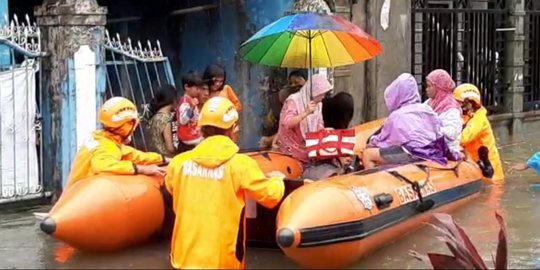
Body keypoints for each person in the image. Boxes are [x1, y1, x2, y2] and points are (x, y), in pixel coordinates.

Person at [164, 96, 286, 269]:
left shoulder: (179, 163)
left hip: (183, 259)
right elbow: (270, 196)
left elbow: (170, 188)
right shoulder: (241, 165)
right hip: (222, 261)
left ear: (201, 128)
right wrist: (277, 180)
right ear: (233, 129)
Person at [65, 97, 168, 189]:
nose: (134, 129)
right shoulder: (105, 147)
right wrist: (142, 169)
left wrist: (164, 159)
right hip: (83, 199)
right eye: (133, 124)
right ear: (126, 125)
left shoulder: (104, 140)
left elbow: (133, 155)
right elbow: (104, 166)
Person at [362, 73, 450, 169]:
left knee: (368, 154)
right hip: (432, 151)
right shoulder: (426, 109)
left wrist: (370, 143)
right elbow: (438, 132)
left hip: (413, 153)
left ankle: (375, 183)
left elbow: (384, 141)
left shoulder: (397, 116)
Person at [275, 73, 333, 164]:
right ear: (314, 91)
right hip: (291, 149)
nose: (323, 97)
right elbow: (286, 124)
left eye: (324, 94)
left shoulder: (318, 104)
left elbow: (319, 126)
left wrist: (324, 131)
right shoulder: (293, 100)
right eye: (321, 94)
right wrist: (305, 113)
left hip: (309, 148)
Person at [453, 83, 504, 182]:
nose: (455, 105)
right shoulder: (466, 116)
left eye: (458, 102)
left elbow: (463, 139)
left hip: (490, 172)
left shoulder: (479, 118)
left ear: (469, 103)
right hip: (475, 166)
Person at [260, 69, 308, 149]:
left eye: (297, 82)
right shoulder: (284, 100)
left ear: (307, 82)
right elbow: (283, 128)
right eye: (291, 83)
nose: (293, 85)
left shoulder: (313, 103)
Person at [425, 69, 463, 160]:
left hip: (448, 153)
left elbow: (452, 132)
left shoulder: (451, 108)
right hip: (432, 148)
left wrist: (431, 130)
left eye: (429, 86)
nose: (426, 89)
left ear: (438, 87)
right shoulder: (430, 102)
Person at [204, 64, 242, 142]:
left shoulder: (226, 89)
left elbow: (238, 105)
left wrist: (227, 112)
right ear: (209, 79)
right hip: (211, 130)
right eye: (215, 81)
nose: (218, 84)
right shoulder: (204, 93)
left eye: (221, 81)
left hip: (228, 129)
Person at [147, 86, 178, 158]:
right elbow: (170, 148)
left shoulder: (154, 118)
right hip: (169, 159)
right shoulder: (166, 119)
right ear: (173, 99)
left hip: (157, 158)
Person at [176, 71, 203, 152]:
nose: (198, 91)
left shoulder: (191, 99)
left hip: (194, 132)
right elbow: (183, 120)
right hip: (187, 135)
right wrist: (192, 107)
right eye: (196, 88)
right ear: (186, 87)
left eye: (199, 88)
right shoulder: (185, 101)